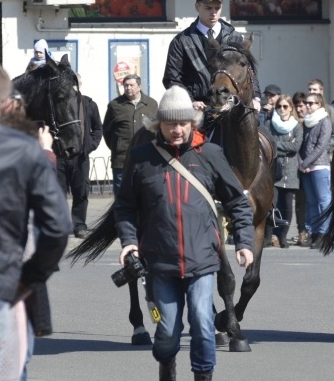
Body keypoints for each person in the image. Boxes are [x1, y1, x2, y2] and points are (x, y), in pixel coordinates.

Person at [114, 86, 255, 381]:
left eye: (183, 123)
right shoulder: (141, 158)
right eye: (170, 123)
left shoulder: (211, 154)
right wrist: (129, 243)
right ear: (159, 124)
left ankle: (203, 375)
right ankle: (167, 363)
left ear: (193, 123)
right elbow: (125, 206)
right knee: (166, 331)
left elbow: (237, 202)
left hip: (202, 260)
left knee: (203, 322)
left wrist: (244, 242)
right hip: (159, 262)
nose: (177, 130)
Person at [0, 62, 70, 381]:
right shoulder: (25, 149)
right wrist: (30, 279)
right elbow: (58, 226)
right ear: (5, 102)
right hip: (1, 288)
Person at [163, 0, 261, 113]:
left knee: (262, 132)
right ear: (197, 7)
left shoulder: (235, 37)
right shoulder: (181, 41)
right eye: (208, 8)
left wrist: (256, 97)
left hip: (232, 106)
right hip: (198, 108)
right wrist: (189, 101)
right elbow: (171, 79)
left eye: (217, 8)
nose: (213, 12)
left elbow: (249, 71)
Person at [56, 74, 102, 239]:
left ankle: (79, 226)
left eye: (75, 82)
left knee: (81, 192)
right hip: (60, 156)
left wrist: (90, 146)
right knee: (58, 193)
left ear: (80, 84)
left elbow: (98, 128)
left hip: (80, 156)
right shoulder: (57, 103)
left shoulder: (89, 104)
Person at [102, 74, 159, 196]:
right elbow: (107, 131)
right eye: (126, 85)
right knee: (122, 195)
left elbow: (157, 130)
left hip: (146, 158)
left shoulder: (151, 104)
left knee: (146, 194)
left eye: (131, 85)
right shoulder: (115, 105)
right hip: (121, 159)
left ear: (139, 86)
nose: (128, 88)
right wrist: (117, 146)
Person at [264, 95, 303, 248]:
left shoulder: (297, 126)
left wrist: (277, 145)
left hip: (290, 171)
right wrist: (285, 144)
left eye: (285, 107)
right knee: (271, 205)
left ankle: (283, 236)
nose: (282, 109)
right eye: (279, 106)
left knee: (287, 206)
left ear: (291, 108)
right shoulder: (269, 124)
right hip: (273, 169)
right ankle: (268, 236)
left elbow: (296, 147)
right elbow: (268, 144)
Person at [299, 92, 332, 249]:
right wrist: (301, 162)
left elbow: (321, 146)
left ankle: (324, 233)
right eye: (306, 103)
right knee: (311, 201)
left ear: (319, 105)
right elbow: (300, 144)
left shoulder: (325, 121)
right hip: (306, 168)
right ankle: (314, 231)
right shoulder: (305, 122)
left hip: (319, 166)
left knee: (323, 201)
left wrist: (305, 162)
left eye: (311, 103)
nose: (307, 105)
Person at [291, 92, 310, 247]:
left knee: (315, 200)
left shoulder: (311, 122)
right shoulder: (291, 123)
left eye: (301, 105)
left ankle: (314, 231)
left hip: (311, 167)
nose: (299, 109)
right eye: (296, 106)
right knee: (300, 202)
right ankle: (301, 231)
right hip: (295, 168)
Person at [307, 79, 334, 153]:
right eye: (310, 89)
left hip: (323, 156)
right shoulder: (306, 109)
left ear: (321, 91)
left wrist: (323, 150)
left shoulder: (329, 110)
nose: (311, 92)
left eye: (314, 89)